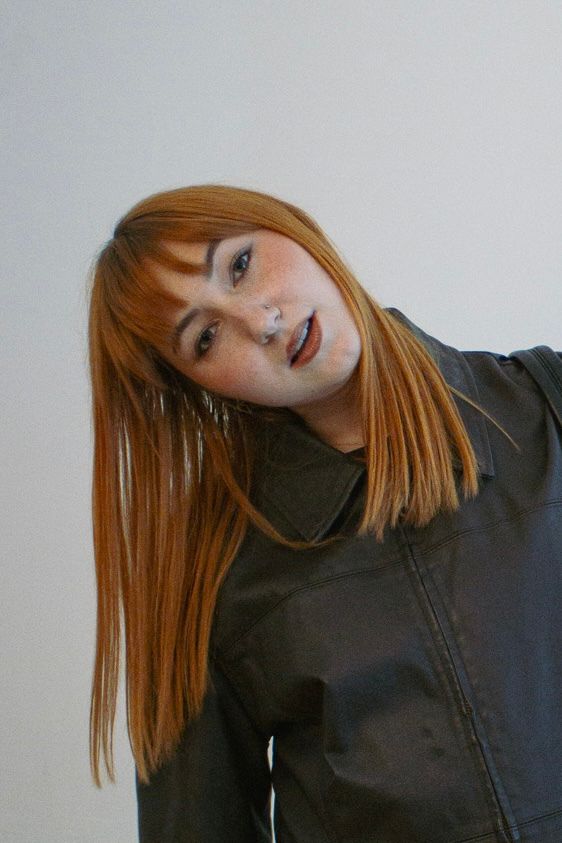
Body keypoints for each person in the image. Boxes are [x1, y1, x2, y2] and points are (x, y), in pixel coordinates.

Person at [87, 184, 562, 843]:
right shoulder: (211, 578)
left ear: (289, 226)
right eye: (205, 337)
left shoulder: (545, 405)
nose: (261, 321)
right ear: (195, 386)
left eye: (240, 264)